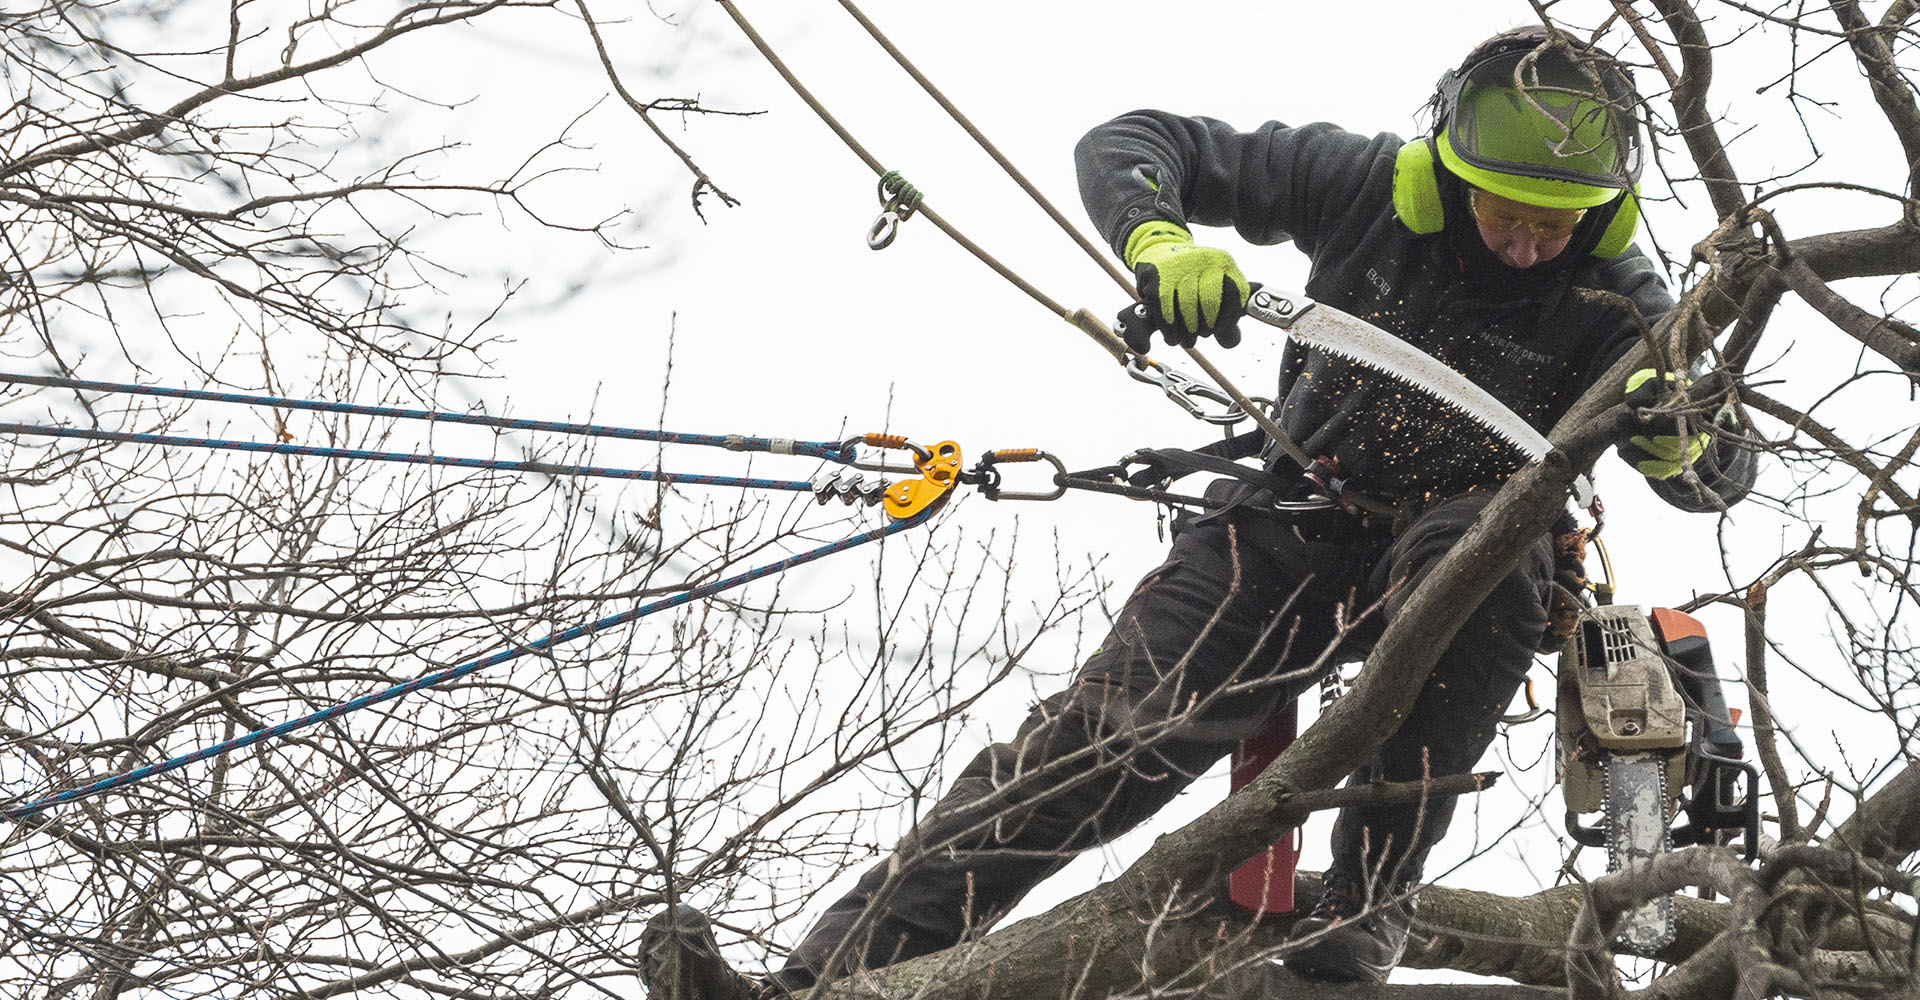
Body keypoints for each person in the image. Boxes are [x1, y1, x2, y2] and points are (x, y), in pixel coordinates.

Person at [640, 24, 1755, 995]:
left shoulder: (1629, 308)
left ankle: (1366, 905)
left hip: (1463, 552)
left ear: (1607, 213)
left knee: (1487, 550)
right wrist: (1161, 241)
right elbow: (1133, 143)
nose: (1528, 240)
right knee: (1100, 743)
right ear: (1451, 173)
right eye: (1509, 210)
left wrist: (1683, 430)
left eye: (1559, 223)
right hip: (1291, 521)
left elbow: (1718, 475)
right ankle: (826, 982)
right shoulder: (1362, 186)